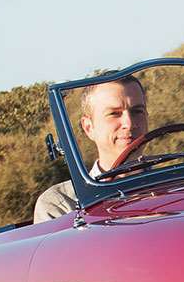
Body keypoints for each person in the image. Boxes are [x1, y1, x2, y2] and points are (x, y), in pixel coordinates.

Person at [35, 75, 148, 220]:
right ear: (89, 127)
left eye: (137, 111)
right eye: (114, 113)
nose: (129, 123)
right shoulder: (61, 205)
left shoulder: (176, 184)